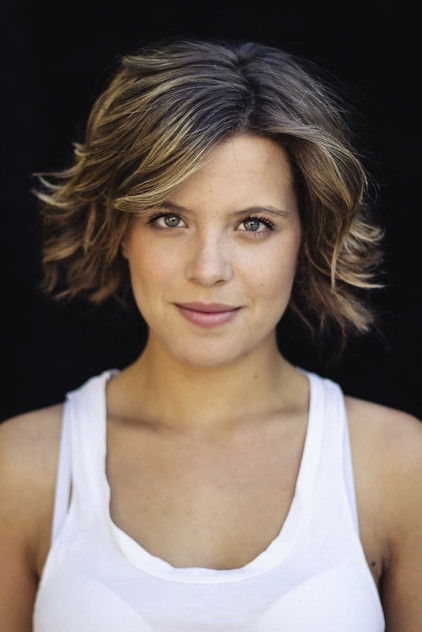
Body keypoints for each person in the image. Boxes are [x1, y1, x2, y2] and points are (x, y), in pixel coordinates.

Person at [0, 35, 420, 632]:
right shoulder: (22, 468)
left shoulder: (398, 465)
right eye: (169, 219)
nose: (208, 269)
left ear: (307, 237)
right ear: (121, 231)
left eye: (254, 224)